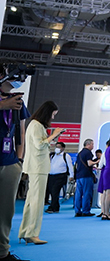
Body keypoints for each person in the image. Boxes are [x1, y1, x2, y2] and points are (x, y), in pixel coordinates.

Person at [18, 101, 63, 245]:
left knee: (32, 201)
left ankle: (26, 232)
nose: (53, 118)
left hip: (36, 167)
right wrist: (54, 134)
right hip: (38, 167)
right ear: (47, 113)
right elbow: (39, 145)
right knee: (37, 202)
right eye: (53, 114)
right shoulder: (37, 125)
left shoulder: (35, 125)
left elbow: (41, 143)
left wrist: (52, 137)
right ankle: (32, 233)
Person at [0, 75, 30, 261]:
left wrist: (19, 159)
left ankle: (2, 253)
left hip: (9, 162)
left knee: (5, 212)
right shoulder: (7, 103)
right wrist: (3, 105)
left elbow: (21, 131)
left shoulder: (17, 101)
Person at [73, 139, 99, 217]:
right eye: (92, 144)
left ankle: (77, 211)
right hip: (86, 176)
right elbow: (89, 163)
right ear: (88, 144)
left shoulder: (80, 153)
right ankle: (86, 211)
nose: (93, 146)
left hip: (79, 176)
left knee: (78, 194)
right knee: (87, 193)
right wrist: (96, 162)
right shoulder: (88, 153)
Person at [45, 141, 73, 214]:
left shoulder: (66, 156)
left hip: (60, 176)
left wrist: (71, 175)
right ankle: (56, 206)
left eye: (59, 147)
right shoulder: (52, 155)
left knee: (55, 191)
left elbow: (70, 166)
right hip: (51, 176)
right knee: (51, 191)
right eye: (56, 147)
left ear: (63, 148)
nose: (57, 148)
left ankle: (52, 207)